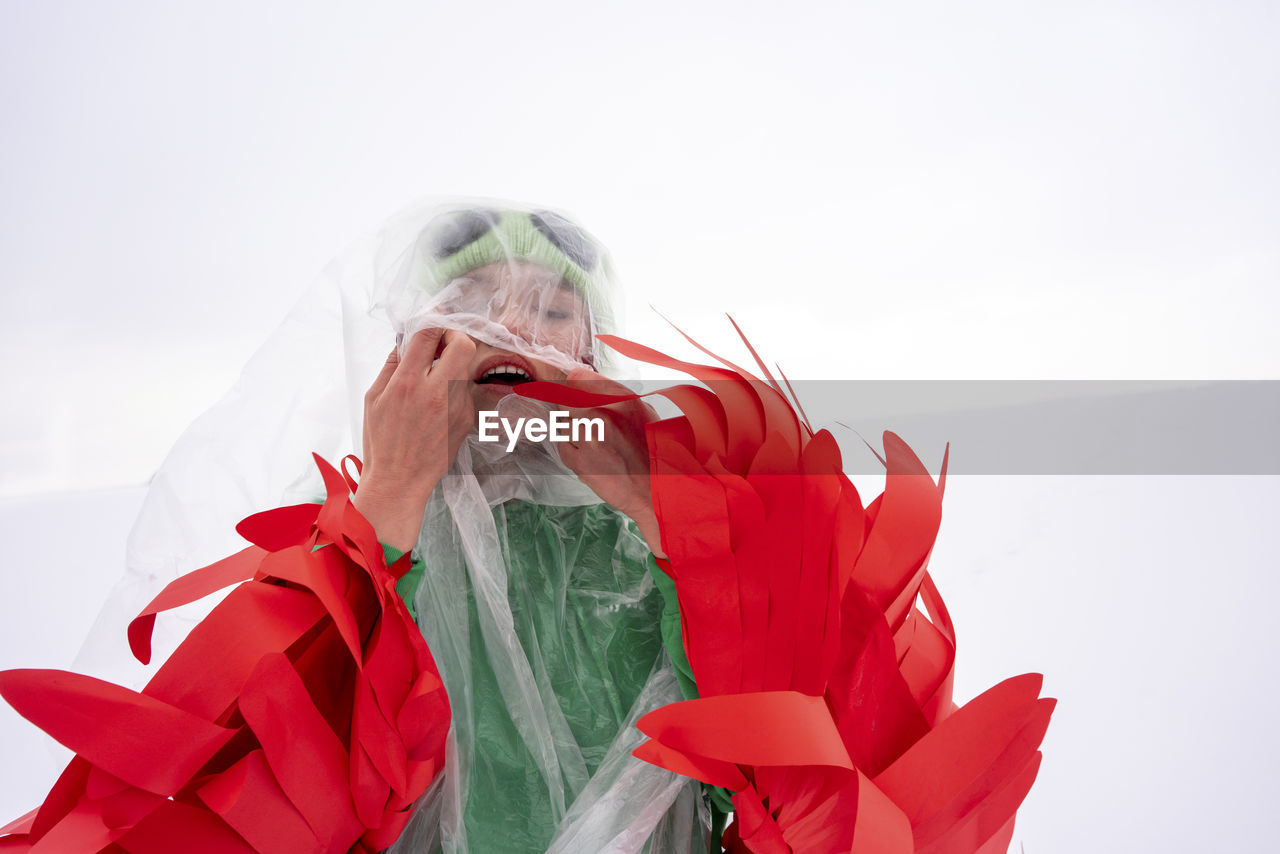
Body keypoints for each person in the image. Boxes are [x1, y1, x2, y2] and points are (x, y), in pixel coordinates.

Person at [1, 200, 1053, 854]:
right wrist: (386, 517)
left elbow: (863, 803)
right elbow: (248, 810)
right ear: (405, 346)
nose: (511, 330)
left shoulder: (667, 547)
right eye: (471, 300)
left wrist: (687, 529)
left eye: (554, 310)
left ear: (598, 349)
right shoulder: (354, 552)